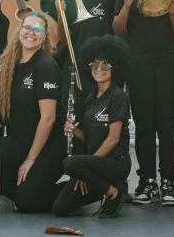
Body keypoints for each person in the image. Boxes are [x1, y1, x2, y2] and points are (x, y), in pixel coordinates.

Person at [0, 10, 66, 212]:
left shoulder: (46, 66)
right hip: (21, 140)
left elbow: (48, 119)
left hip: (48, 146)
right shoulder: (10, 65)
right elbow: (11, 113)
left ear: (44, 36)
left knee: (26, 203)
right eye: (27, 27)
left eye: (37, 29)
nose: (31, 32)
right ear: (19, 31)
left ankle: (79, 188)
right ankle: (27, 190)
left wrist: (30, 159)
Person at [113, 0, 174, 206]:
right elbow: (118, 31)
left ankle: (167, 181)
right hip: (138, 62)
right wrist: (127, 6)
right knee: (144, 124)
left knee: (167, 123)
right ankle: (147, 181)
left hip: (167, 61)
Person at [54, 35, 132, 218]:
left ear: (116, 68)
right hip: (96, 165)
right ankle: (101, 188)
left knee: (69, 163)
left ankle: (114, 191)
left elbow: (113, 139)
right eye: (94, 65)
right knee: (60, 207)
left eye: (105, 65)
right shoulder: (91, 98)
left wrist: (88, 169)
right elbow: (90, 137)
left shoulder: (118, 96)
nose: (99, 69)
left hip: (115, 163)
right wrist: (74, 130)